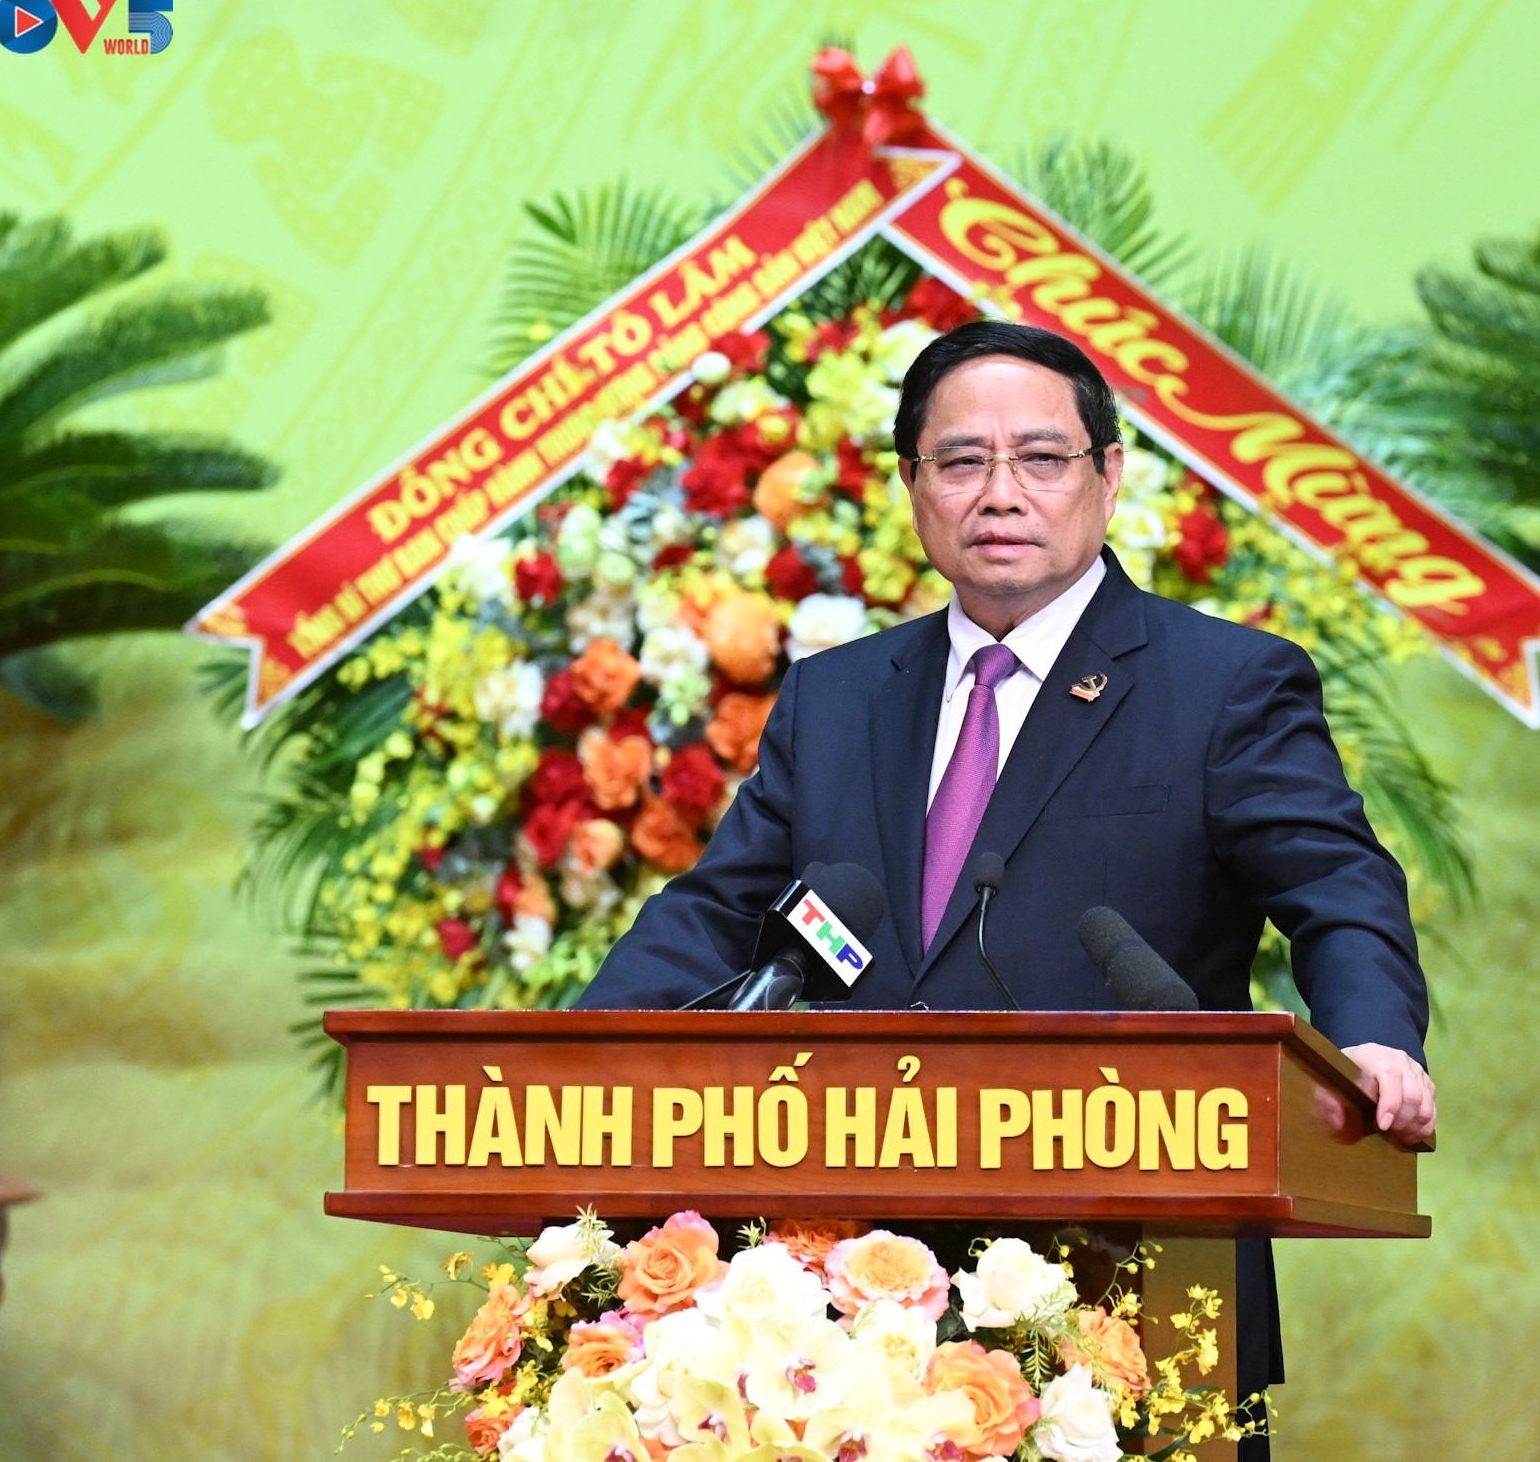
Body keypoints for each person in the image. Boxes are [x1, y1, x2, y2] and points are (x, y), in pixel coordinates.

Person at [577, 320, 1435, 1439]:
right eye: (961, 461)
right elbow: (718, 912)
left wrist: (1373, 1036)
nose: (1000, 493)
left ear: (1107, 475)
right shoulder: (838, 698)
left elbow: (1338, 884)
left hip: (1132, 1290)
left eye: (1040, 458)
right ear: (912, 485)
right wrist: (569, 1061)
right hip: (846, 1320)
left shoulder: (1222, 682)